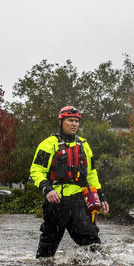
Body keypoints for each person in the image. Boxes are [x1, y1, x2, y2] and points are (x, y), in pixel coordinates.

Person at [29, 105, 110, 258]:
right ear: (61, 122)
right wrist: (47, 189)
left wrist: (101, 195)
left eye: (76, 121)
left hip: (79, 201)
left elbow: (92, 173)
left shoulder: (84, 145)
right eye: (70, 120)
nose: (74, 124)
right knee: (47, 250)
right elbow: (36, 171)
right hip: (55, 202)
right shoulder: (48, 144)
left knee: (93, 243)